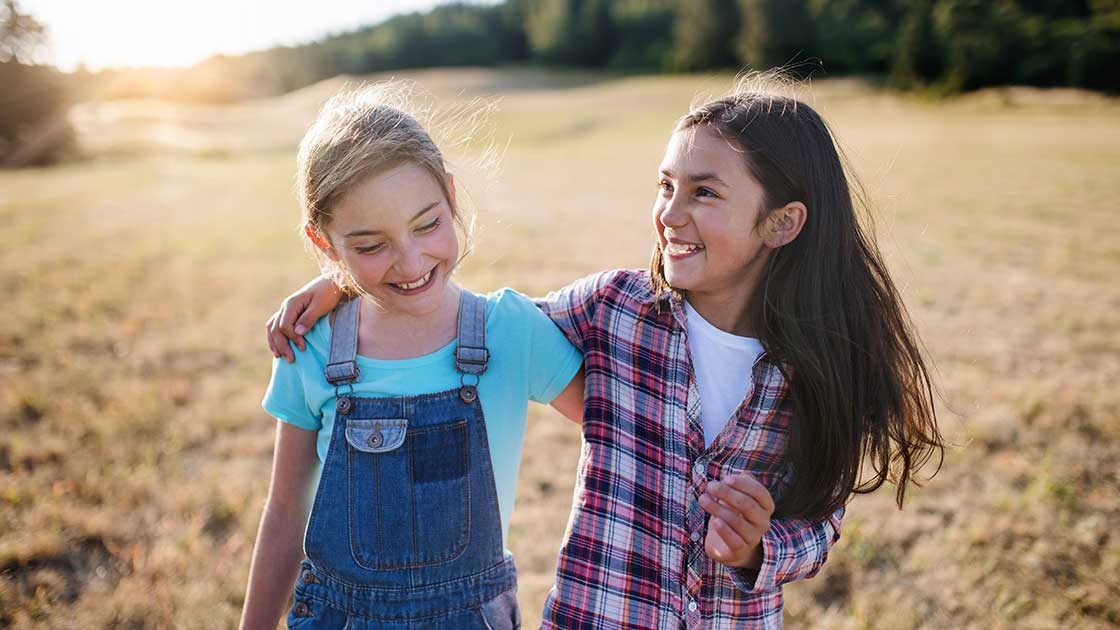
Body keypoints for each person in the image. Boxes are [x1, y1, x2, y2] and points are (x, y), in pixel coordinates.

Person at [265, 79, 944, 629]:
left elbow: (821, 519)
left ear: (782, 223)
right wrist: (349, 281)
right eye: (666, 186)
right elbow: (467, 324)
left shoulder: (813, 371)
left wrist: (762, 546)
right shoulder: (617, 311)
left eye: (703, 192)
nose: (670, 212)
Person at [240, 85, 585, 630]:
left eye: (427, 225)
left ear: (451, 195)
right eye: (371, 246)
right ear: (325, 244)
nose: (410, 261)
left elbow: (620, 427)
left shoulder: (511, 333)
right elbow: (284, 512)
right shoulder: (309, 346)